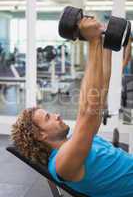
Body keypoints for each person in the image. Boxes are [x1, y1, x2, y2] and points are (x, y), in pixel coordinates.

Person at [11, 17, 133, 197]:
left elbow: (101, 90)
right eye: (48, 118)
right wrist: (92, 42)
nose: (57, 115)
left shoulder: (72, 139)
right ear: (40, 134)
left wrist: (104, 43)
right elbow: (89, 112)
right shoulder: (63, 163)